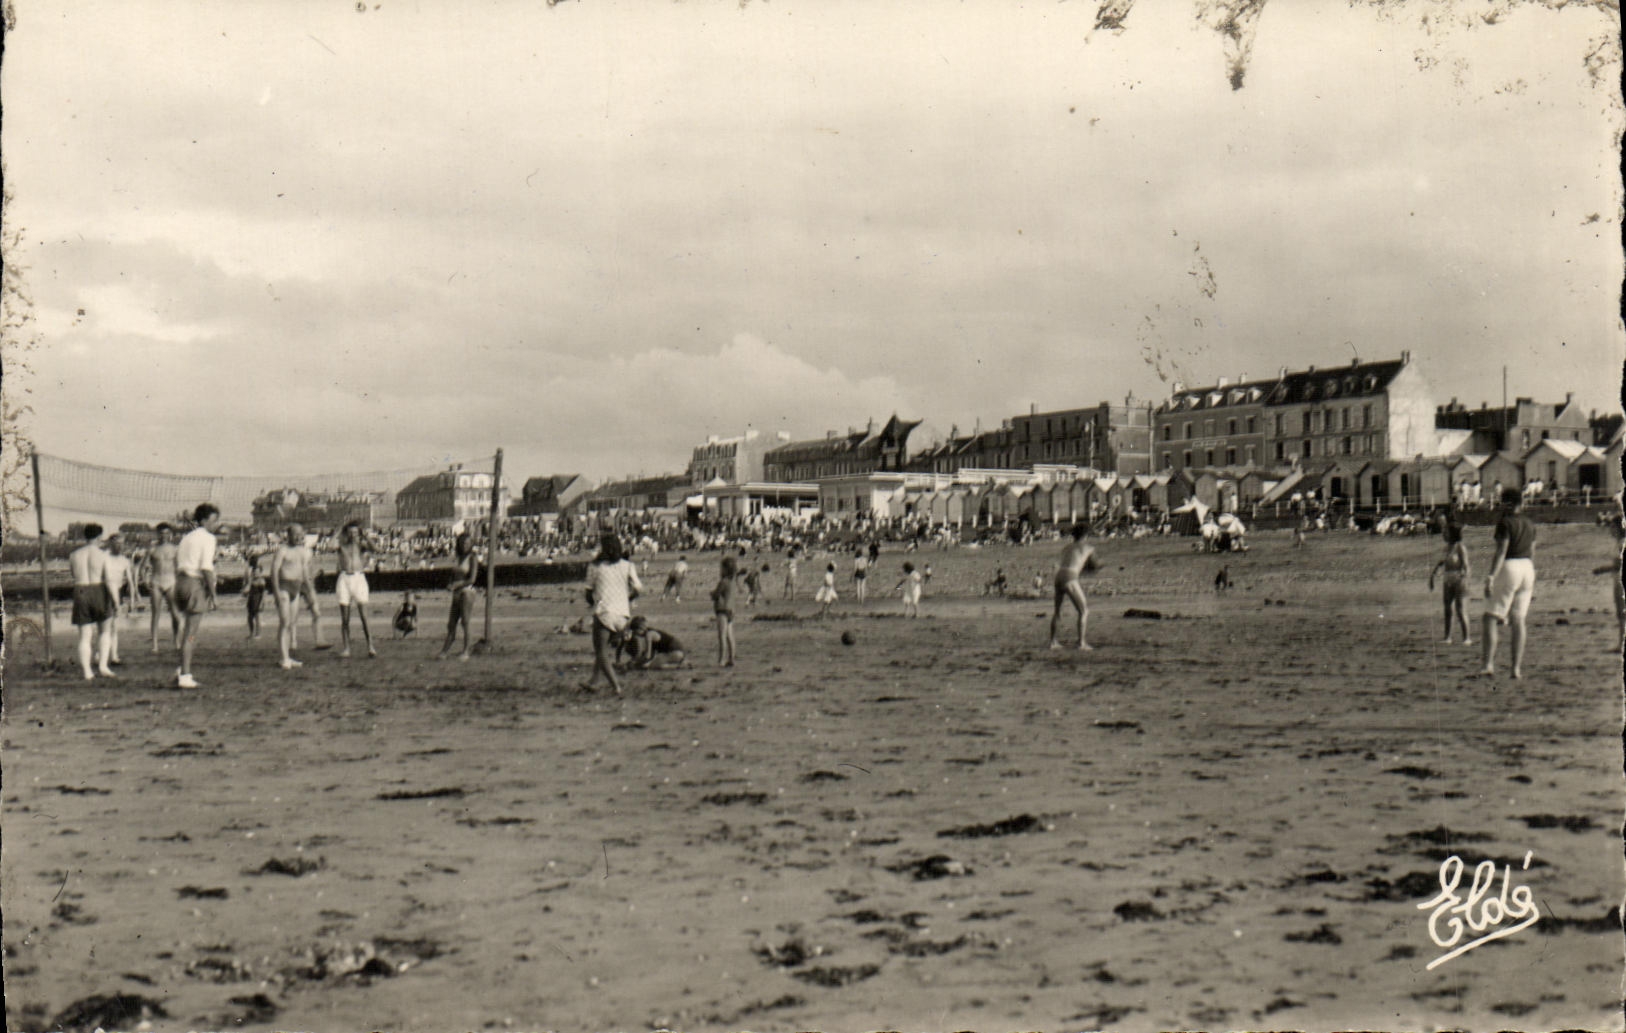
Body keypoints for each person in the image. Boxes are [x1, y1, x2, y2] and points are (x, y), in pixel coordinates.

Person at [1479, 488, 1536, 679]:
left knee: (1490, 617)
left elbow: (1501, 551)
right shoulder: (1529, 523)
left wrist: (1491, 576)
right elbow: (1532, 551)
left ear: (1508, 503)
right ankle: (1515, 668)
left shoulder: (1505, 522)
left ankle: (1488, 665)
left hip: (1511, 566)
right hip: (1527, 567)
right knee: (1518, 619)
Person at [582, 533, 641, 691]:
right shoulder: (627, 565)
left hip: (604, 612)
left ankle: (616, 686)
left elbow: (588, 592)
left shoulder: (595, 566)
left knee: (601, 652)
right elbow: (638, 588)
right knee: (604, 649)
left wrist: (593, 602)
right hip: (623, 615)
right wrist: (628, 598)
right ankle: (593, 681)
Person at [173, 504, 222, 689]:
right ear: (203, 520)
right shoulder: (208, 538)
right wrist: (214, 595)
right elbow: (206, 568)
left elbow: (177, 562)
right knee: (191, 634)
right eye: (213, 520)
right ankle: (185, 676)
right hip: (194, 584)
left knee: (186, 631)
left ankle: (181, 669)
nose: (216, 524)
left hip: (180, 583)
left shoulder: (187, 538)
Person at [69, 524, 115, 680]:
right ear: (99, 537)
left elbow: (73, 574)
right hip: (98, 589)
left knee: (85, 635)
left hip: (80, 589)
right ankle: (103, 667)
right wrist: (116, 600)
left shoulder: (74, 555)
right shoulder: (103, 555)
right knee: (105, 631)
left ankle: (87, 672)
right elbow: (109, 579)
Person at [271, 524, 317, 670]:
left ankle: (287, 657)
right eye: (294, 534)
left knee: (291, 623)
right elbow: (274, 572)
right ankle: (284, 658)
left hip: (296, 589)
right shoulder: (282, 550)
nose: (298, 537)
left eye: (300, 534)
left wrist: (310, 593)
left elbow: (305, 574)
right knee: (285, 622)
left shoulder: (304, 551)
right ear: (288, 535)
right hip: (284, 587)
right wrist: (276, 592)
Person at [1049, 524, 1096, 651]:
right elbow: (1093, 566)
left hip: (1059, 575)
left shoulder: (1066, 547)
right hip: (1070, 577)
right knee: (1084, 611)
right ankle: (1081, 643)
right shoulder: (1088, 548)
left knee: (1057, 611)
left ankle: (1053, 642)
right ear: (1086, 535)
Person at [335, 521, 377, 659]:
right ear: (346, 533)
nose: (352, 535)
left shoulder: (361, 545)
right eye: (350, 532)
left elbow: (375, 548)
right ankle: (346, 648)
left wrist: (365, 536)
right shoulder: (341, 545)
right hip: (344, 578)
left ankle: (370, 646)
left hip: (359, 578)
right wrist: (338, 531)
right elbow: (330, 545)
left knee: (364, 616)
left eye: (355, 532)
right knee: (345, 618)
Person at [441, 532, 482, 661]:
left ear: (471, 544)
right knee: (451, 623)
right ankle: (444, 651)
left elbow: (472, 579)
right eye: (463, 543)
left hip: (467, 591)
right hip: (456, 592)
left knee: (465, 622)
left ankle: (466, 651)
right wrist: (450, 584)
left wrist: (457, 584)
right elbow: (452, 575)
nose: (465, 545)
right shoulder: (458, 558)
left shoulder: (472, 558)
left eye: (468, 543)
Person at [140, 522, 181, 652]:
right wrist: (145, 580)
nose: (164, 536)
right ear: (158, 534)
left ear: (171, 534)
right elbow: (143, 567)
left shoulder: (175, 549)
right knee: (155, 613)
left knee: (175, 613)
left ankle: (177, 641)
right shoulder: (152, 549)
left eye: (167, 533)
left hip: (171, 581)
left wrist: (180, 582)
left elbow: (180, 568)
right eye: (162, 533)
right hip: (156, 581)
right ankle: (155, 645)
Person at [1429, 526, 1472, 646]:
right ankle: (1447, 637)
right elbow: (1441, 563)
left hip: (1459, 579)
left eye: (1446, 532)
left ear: (1453, 534)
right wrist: (1432, 576)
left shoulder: (1460, 547)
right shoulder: (1446, 548)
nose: (1443, 534)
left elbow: (1466, 565)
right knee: (1448, 609)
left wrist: (1464, 579)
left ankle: (1466, 638)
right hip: (1448, 578)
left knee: (1460, 609)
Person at [101, 534, 139, 665]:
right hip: (104, 591)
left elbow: (130, 582)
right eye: (117, 543)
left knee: (114, 625)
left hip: (117, 591)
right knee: (104, 626)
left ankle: (114, 656)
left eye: (122, 543)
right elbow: (105, 578)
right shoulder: (104, 557)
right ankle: (100, 654)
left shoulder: (124, 560)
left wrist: (132, 601)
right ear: (110, 543)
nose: (120, 546)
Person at [618, 615, 686, 669]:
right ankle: (679, 663)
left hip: (675, 652)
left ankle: (679, 666)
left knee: (651, 666)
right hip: (677, 652)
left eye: (636, 632)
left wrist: (634, 663)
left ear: (641, 628)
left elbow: (647, 656)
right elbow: (650, 655)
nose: (636, 635)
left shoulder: (649, 635)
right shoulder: (649, 633)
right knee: (649, 664)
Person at [711, 554, 737, 666]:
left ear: (726, 569)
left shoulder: (723, 582)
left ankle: (721, 659)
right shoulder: (732, 582)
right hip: (731, 610)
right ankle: (731, 658)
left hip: (722, 610)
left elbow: (716, 594)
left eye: (721, 568)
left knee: (721, 635)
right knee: (730, 636)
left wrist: (712, 594)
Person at [243, 551, 268, 639]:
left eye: (257, 572)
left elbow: (264, 593)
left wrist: (262, 603)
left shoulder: (261, 581)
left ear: (260, 572)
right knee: (250, 617)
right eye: (254, 572)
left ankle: (258, 634)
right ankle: (251, 633)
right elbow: (247, 590)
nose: (255, 573)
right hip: (251, 599)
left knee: (257, 618)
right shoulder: (252, 580)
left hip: (258, 599)